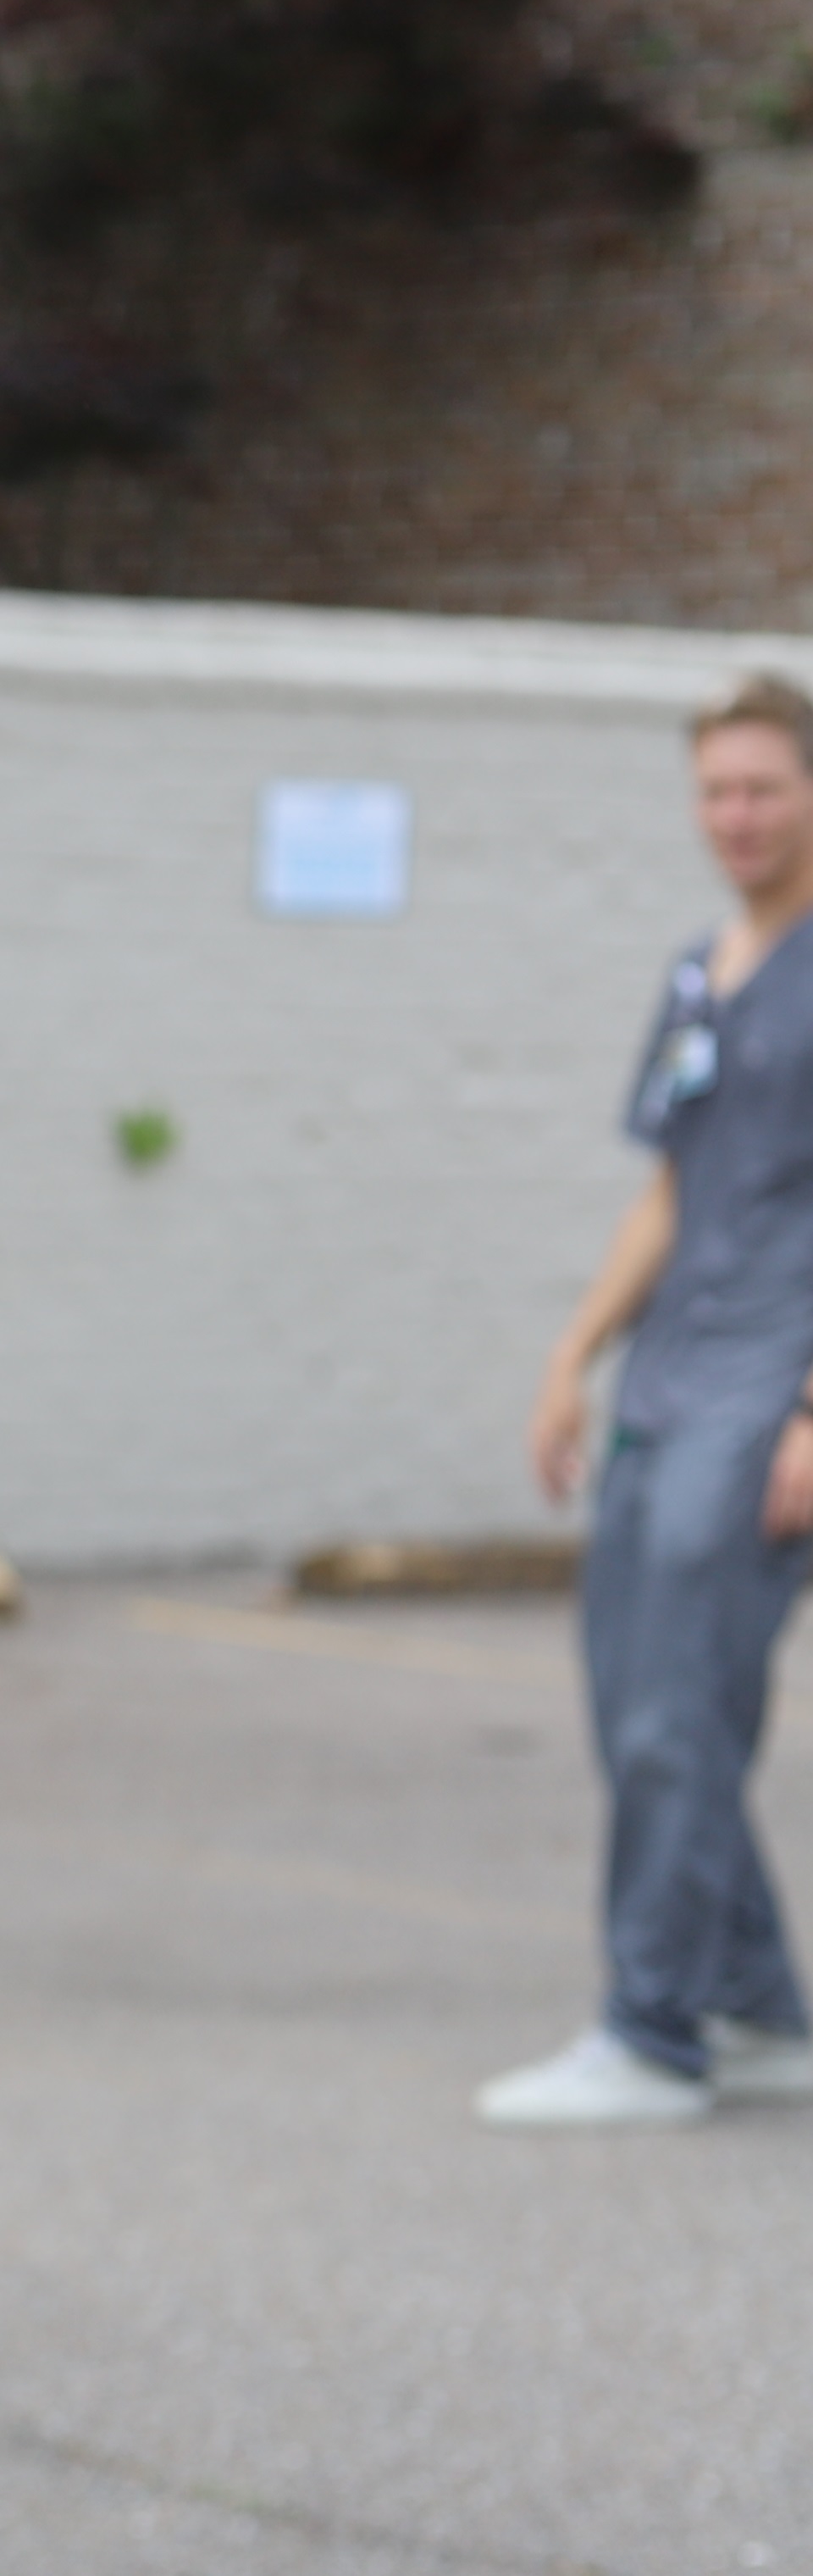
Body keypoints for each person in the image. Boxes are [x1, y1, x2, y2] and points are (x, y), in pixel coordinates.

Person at [489, 674, 813, 2130]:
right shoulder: (702, 970)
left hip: (768, 1392)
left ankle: (653, 2032)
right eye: (717, 791)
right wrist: (573, 1356)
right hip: (670, 1376)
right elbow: (671, 1193)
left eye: (765, 787)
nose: (738, 815)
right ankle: (759, 2009)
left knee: (680, 1712)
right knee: (633, 1699)